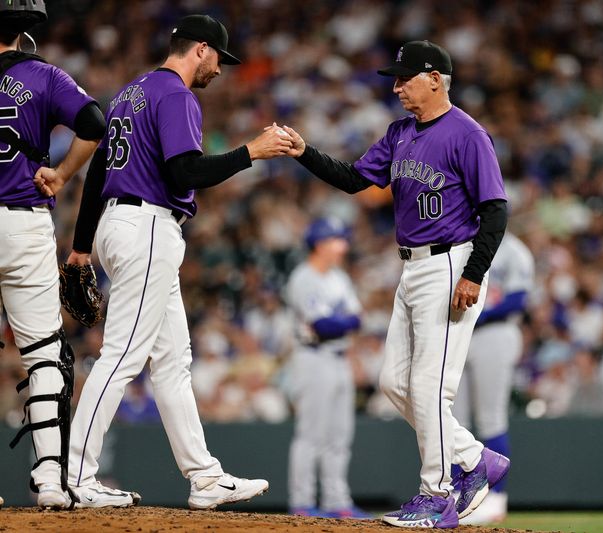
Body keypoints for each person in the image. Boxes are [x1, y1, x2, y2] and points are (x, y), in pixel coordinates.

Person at [38, 14, 291, 509]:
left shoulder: (131, 94)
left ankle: (204, 477)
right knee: (123, 356)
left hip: (120, 224)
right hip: (148, 227)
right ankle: (75, 476)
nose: (219, 69)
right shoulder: (177, 95)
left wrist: (81, 247)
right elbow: (184, 172)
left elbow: (94, 178)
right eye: (218, 57)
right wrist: (251, 152)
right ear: (199, 49)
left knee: (173, 360)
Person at [282, 40, 510, 528]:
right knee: (393, 383)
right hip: (412, 266)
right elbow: (352, 180)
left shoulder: (468, 134)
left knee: (429, 387)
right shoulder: (400, 132)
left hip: (453, 263)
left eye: (405, 77)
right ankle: (474, 458)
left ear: (434, 78)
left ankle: (438, 494)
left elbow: (495, 210)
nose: (397, 85)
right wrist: (304, 152)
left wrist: (473, 274)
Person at [0, 0, 105, 510]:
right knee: (43, 352)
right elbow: (94, 121)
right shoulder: (43, 76)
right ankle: (48, 480)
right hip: (22, 223)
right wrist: (61, 175)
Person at [285, 217, 370, 519]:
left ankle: (337, 500)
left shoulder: (339, 278)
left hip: (339, 358)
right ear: (320, 243)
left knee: (339, 436)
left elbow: (356, 319)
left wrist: (342, 323)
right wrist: (342, 322)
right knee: (311, 435)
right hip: (312, 358)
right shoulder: (303, 277)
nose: (343, 246)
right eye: (337, 239)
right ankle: (302, 502)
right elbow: (323, 326)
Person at [452, 232, 534, 525]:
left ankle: (496, 498)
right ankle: (453, 494)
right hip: (460, 331)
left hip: (495, 334)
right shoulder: (459, 245)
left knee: (491, 418)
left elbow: (517, 299)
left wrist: (481, 315)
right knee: (452, 420)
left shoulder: (514, 250)